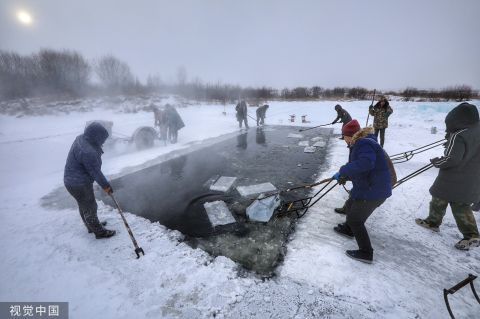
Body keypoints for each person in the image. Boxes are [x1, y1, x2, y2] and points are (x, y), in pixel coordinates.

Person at [415, 102, 480, 250]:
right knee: (439, 197)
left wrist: (438, 162)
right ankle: (433, 222)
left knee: (460, 205)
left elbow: (452, 159)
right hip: (472, 175)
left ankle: (472, 236)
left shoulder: (458, 135)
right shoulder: (476, 129)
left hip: (455, 176)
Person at [332, 119, 393, 263]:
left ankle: (366, 252)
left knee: (355, 219)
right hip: (368, 185)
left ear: (350, 135)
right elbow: (357, 164)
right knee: (352, 200)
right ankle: (349, 229)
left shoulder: (364, 143)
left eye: (344, 137)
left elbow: (366, 163)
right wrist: (345, 175)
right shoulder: (361, 143)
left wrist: (343, 170)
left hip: (374, 190)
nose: (344, 140)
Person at [64, 122, 116, 239]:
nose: (103, 142)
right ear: (96, 136)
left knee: (83, 205)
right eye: (102, 139)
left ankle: (91, 226)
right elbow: (96, 172)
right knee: (90, 206)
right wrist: (106, 186)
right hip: (79, 184)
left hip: (71, 180)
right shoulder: (88, 152)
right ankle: (99, 232)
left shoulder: (81, 138)